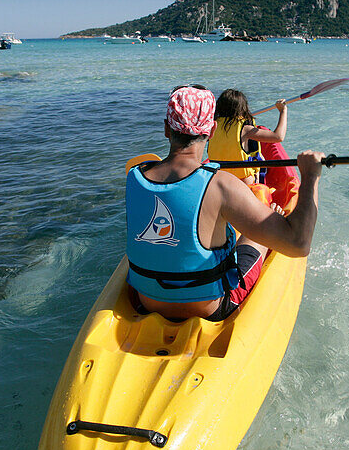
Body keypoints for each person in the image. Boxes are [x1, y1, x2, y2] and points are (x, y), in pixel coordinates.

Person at [126, 85, 324, 322]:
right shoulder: (222, 185)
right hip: (210, 308)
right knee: (256, 236)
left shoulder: (134, 176)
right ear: (211, 130)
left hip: (145, 300)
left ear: (167, 128)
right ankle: (268, 219)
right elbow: (299, 245)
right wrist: (311, 176)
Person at [207, 88, 288, 184]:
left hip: (218, 180)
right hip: (242, 181)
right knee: (257, 167)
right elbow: (278, 137)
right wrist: (283, 111)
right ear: (243, 108)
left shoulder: (211, 126)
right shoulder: (245, 129)